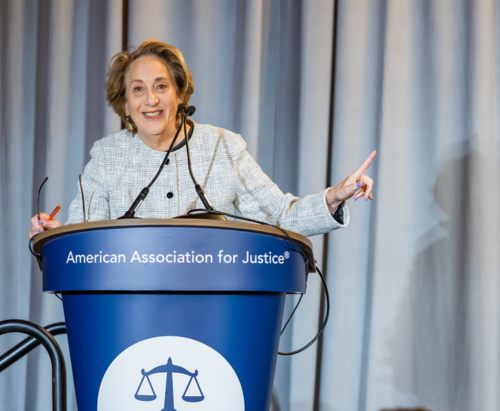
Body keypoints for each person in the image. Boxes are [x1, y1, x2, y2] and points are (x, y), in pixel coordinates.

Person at [29, 39, 375, 240]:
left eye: (161, 86)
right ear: (125, 104)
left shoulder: (223, 147)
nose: (151, 100)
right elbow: (83, 235)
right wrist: (54, 235)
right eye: (138, 89)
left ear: (180, 94)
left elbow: (282, 216)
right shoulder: (107, 156)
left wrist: (334, 196)